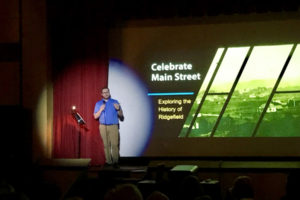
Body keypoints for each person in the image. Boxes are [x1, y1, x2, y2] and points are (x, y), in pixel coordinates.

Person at [94, 87, 124, 166]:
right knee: (106, 145)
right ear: (101, 94)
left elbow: (121, 115)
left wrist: (118, 109)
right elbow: (95, 116)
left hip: (113, 126)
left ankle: (115, 162)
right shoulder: (98, 103)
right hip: (103, 126)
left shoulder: (115, 102)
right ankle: (108, 161)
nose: (106, 93)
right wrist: (100, 110)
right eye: (104, 92)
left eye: (107, 92)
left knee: (114, 145)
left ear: (109, 93)